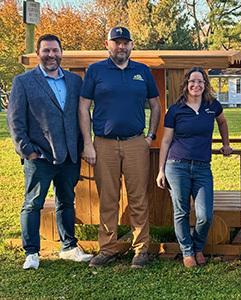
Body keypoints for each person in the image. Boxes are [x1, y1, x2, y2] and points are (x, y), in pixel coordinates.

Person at [7, 34, 93, 270]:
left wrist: (84, 144)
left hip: (69, 156)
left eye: (55, 50)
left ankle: (68, 247)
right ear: (38, 53)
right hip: (40, 156)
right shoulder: (23, 82)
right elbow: (15, 121)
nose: (51, 55)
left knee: (66, 201)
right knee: (33, 203)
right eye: (46, 51)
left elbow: (82, 114)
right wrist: (28, 151)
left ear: (61, 53)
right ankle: (32, 252)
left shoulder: (75, 82)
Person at [79, 27, 161, 268]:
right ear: (108, 44)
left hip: (136, 142)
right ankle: (108, 248)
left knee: (138, 197)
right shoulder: (95, 71)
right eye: (116, 42)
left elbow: (156, 106)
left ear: (132, 45)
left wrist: (150, 136)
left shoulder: (142, 71)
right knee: (108, 198)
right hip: (103, 144)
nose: (121, 47)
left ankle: (141, 249)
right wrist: (88, 143)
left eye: (125, 42)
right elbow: (83, 107)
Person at [156, 67, 232, 268]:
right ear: (186, 84)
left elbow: (222, 122)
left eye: (200, 81)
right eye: (192, 81)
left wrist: (226, 144)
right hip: (176, 166)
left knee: (205, 215)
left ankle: (198, 246)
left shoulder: (212, 105)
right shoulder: (175, 109)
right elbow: (165, 141)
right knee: (181, 211)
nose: (196, 85)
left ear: (205, 84)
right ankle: (187, 251)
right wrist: (161, 170)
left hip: (202, 168)